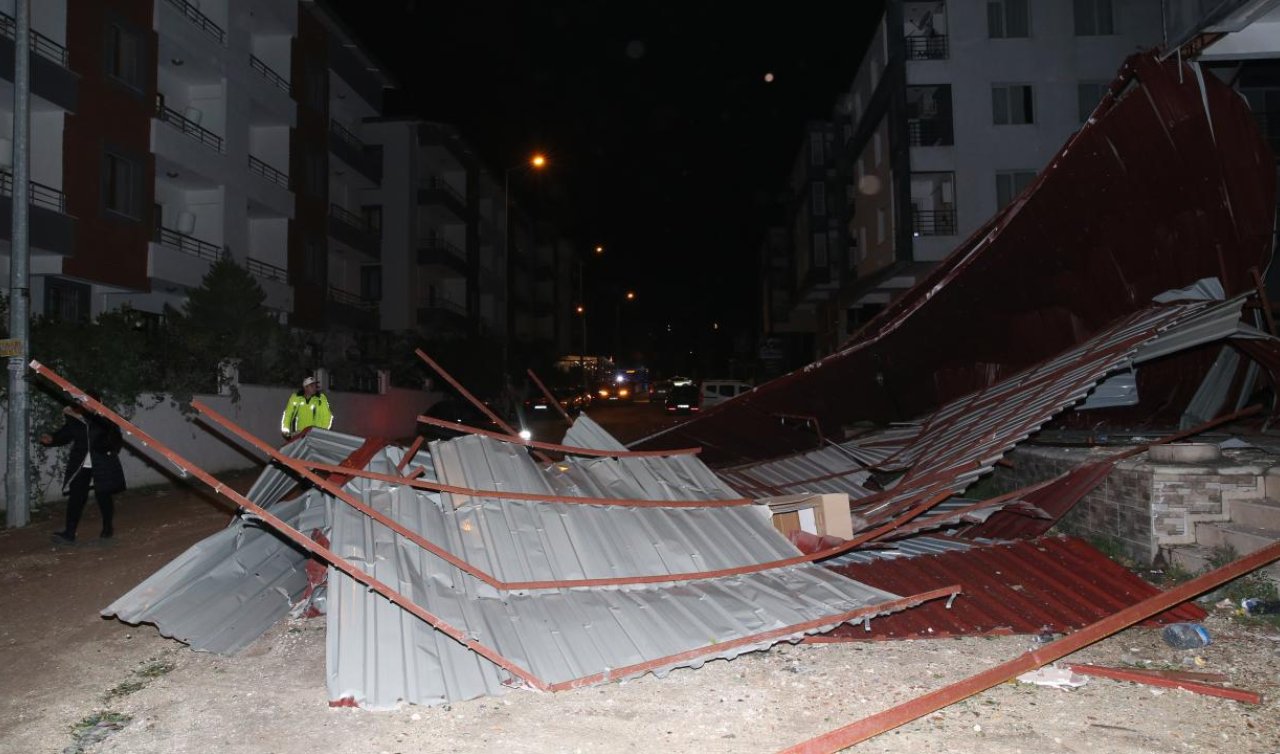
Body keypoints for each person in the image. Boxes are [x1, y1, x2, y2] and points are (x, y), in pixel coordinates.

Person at [39, 391, 126, 546]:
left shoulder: (106, 418)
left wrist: (106, 446)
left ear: (99, 402)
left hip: (102, 460)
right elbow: (65, 434)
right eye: (84, 402)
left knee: (103, 495)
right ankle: (69, 533)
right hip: (81, 463)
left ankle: (107, 528)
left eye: (90, 402)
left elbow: (116, 438)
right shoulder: (76, 418)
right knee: (76, 497)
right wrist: (52, 438)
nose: (86, 405)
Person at [280, 375, 334, 441]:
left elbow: (327, 416)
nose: (314, 388)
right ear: (305, 387)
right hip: (300, 433)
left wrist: (322, 432)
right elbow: (288, 414)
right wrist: (285, 431)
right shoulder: (296, 398)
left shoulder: (321, 399)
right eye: (311, 386)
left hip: (316, 434)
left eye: (315, 385)